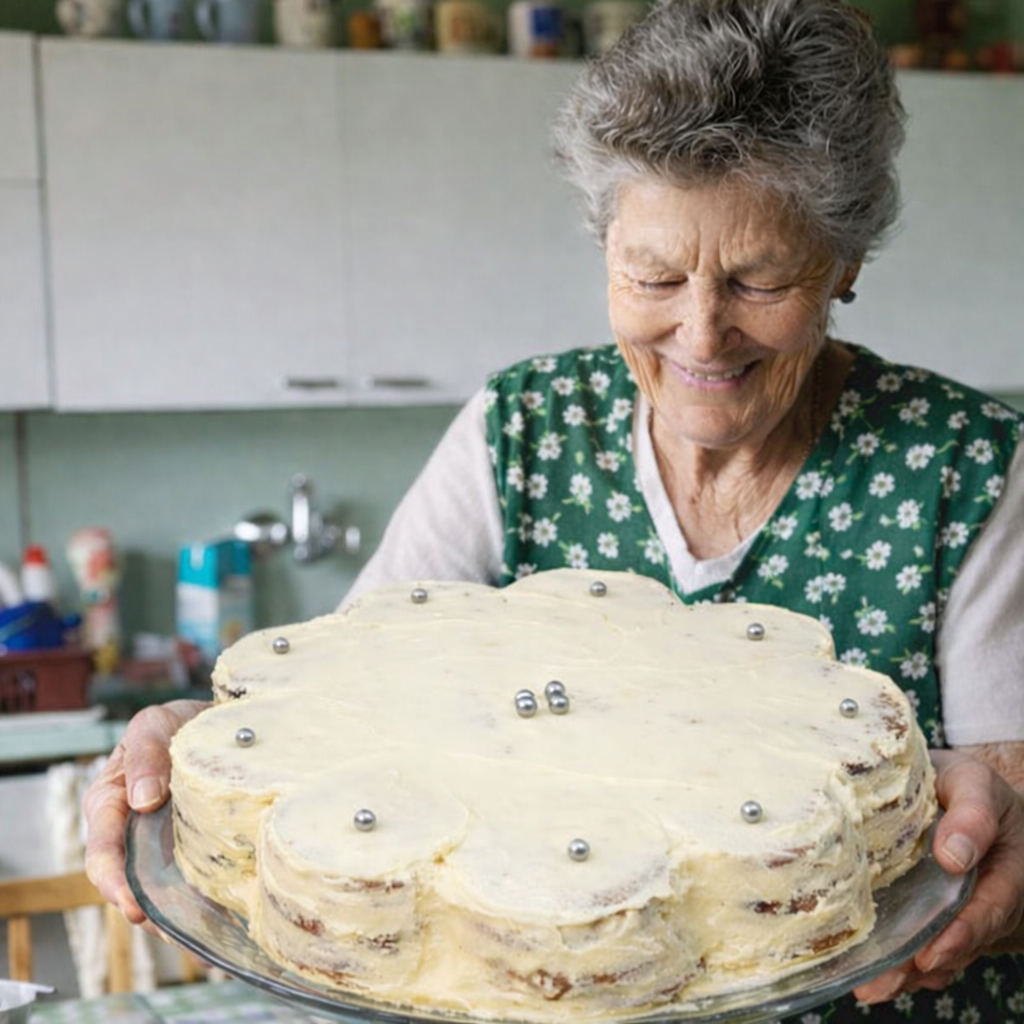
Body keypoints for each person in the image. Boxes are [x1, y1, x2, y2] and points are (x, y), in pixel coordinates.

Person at [85, 0, 1024, 1019]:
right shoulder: (520, 427)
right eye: (652, 274)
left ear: (843, 264)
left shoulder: (966, 466)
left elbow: (1006, 814)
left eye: (758, 280)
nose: (701, 335)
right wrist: (201, 741)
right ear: (603, 247)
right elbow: (339, 707)